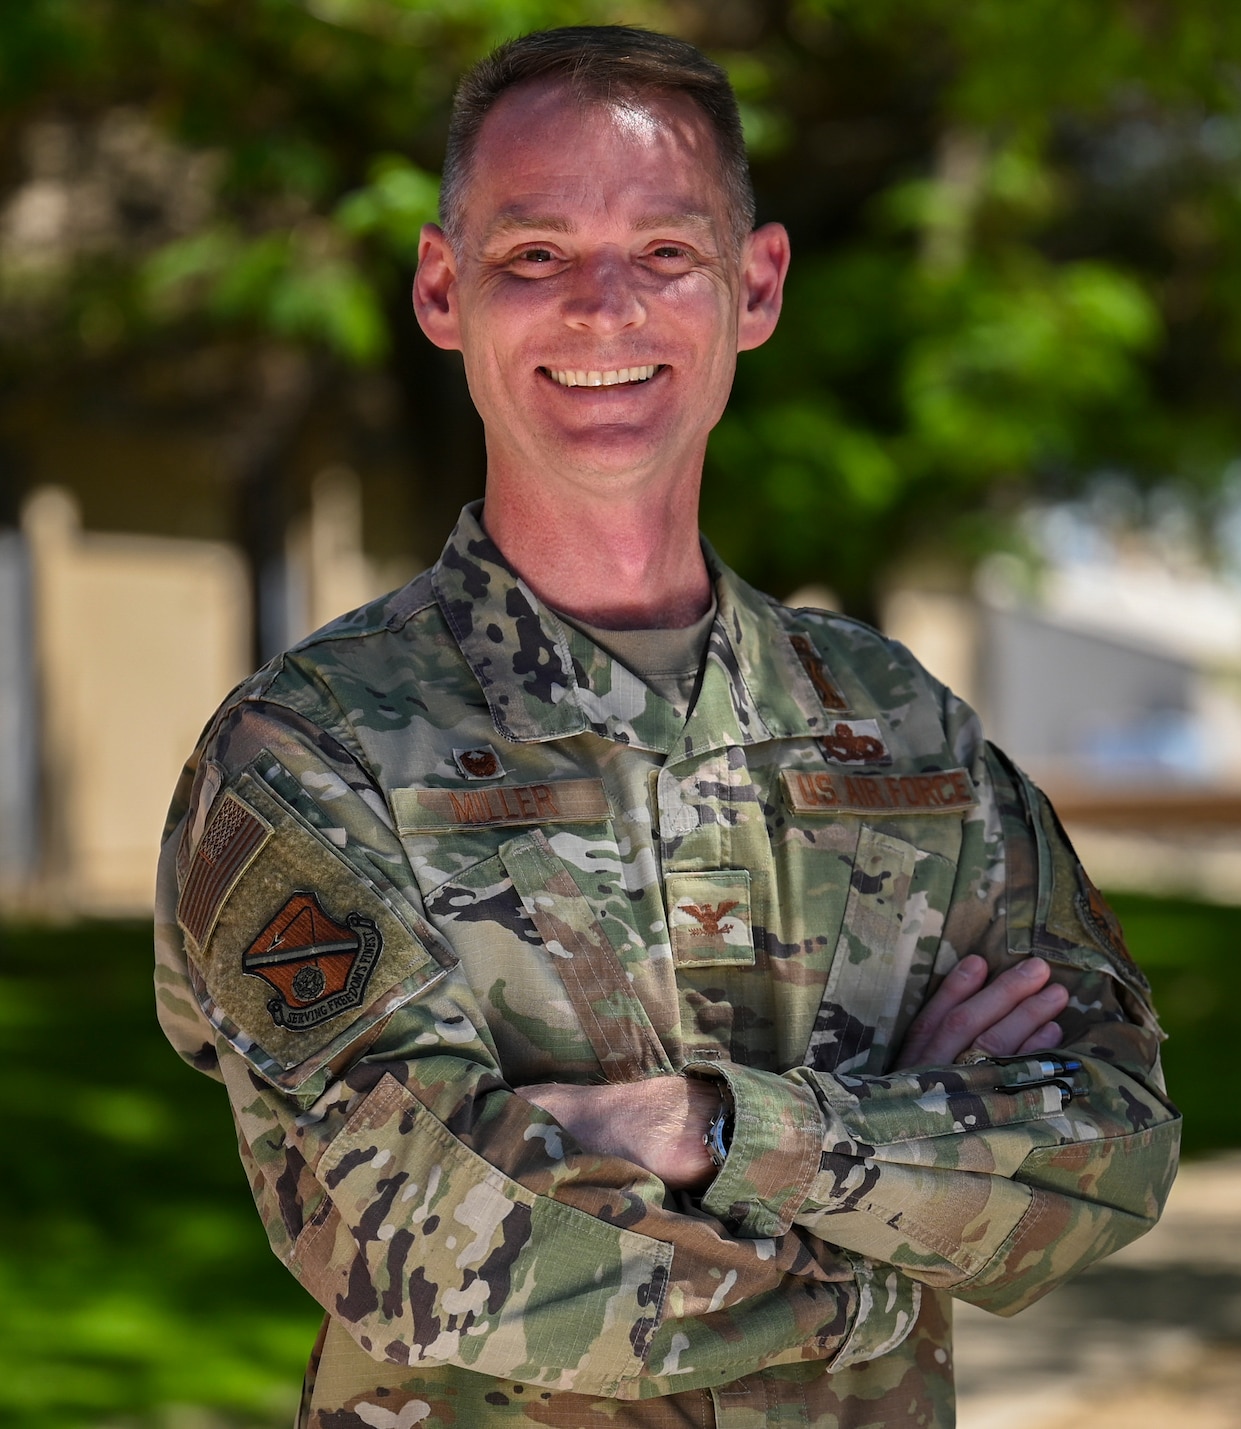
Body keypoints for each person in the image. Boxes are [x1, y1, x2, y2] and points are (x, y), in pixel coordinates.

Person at [151, 24, 1178, 1428]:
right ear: (443, 292)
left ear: (754, 288)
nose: (601, 310)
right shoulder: (309, 758)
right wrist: (885, 1249)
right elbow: (423, 1238)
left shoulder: (898, 733)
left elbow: (1109, 1144)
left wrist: (703, 1127)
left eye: (665, 253)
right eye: (534, 256)